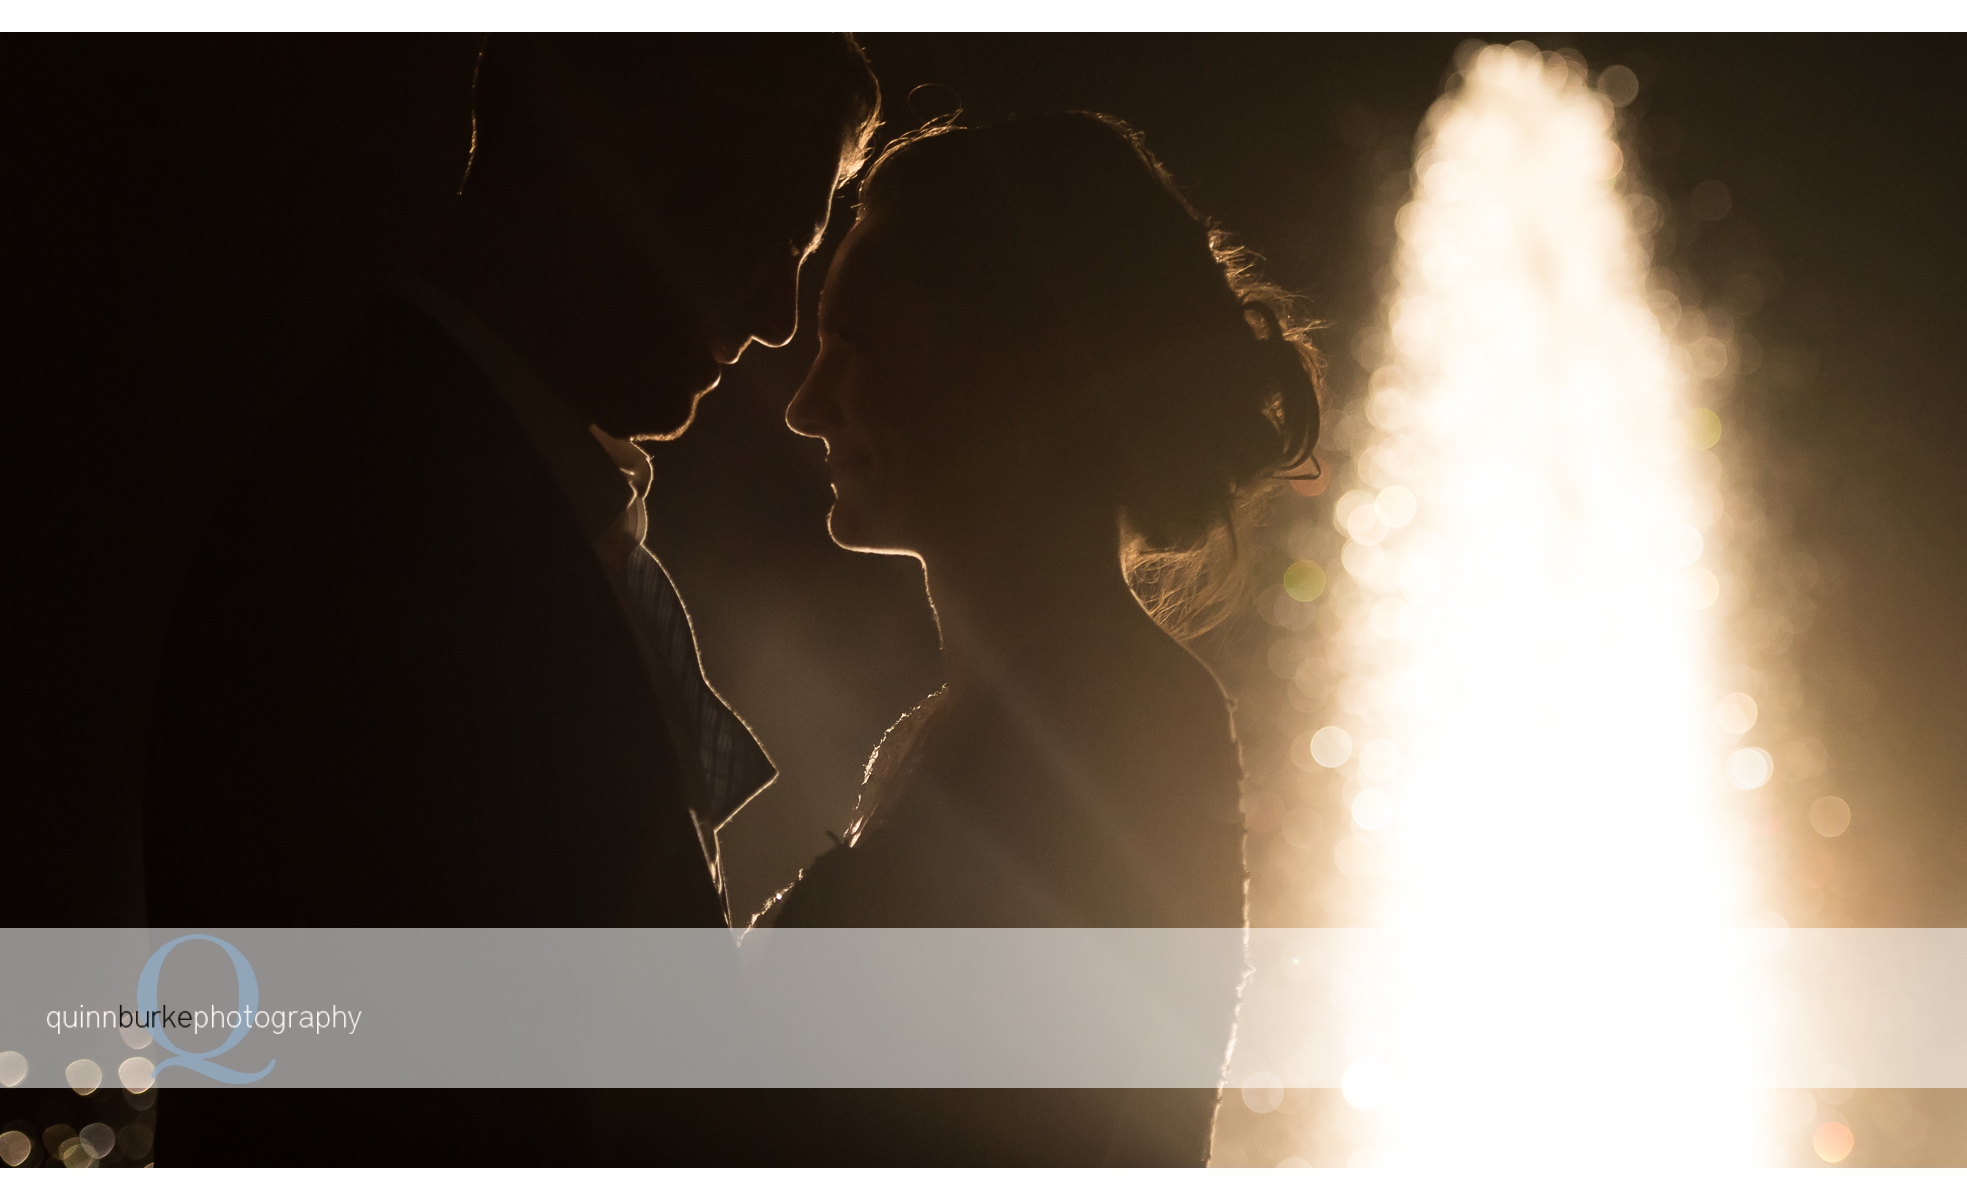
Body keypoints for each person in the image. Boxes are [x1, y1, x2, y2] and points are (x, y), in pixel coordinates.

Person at [140, 34, 879, 1166]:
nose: (782, 316)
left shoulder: (453, 486)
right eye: (775, 227)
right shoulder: (389, 540)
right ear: (623, 155)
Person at [767, 112, 1325, 1164]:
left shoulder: (1110, 728)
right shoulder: (960, 729)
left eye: (857, 350)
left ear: (1014, 372)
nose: (803, 406)